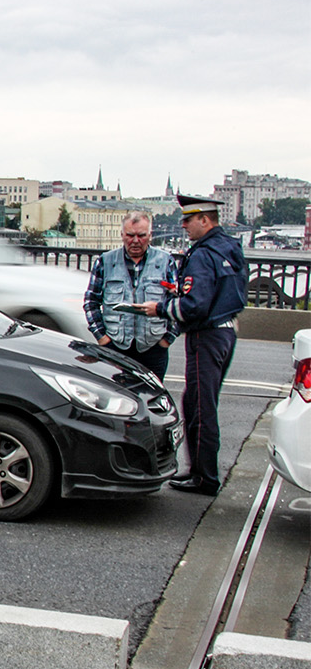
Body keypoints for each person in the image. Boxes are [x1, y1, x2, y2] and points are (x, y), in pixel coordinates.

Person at [132, 194, 248, 495]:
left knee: (199, 407)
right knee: (204, 403)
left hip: (206, 336)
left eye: (188, 220)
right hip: (226, 333)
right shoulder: (229, 247)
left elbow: (194, 306)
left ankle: (204, 476)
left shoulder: (202, 254)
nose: (183, 225)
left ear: (205, 220)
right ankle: (201, 472)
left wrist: (161, 308)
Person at [82, 211, 178, 380]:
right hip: (115, 346)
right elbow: (91, 301)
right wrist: (102, 338)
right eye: (130, 235)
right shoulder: (105, 261)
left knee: (152, 400)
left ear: (150, 235)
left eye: (141, 235)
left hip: (153, 347)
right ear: (122, 235)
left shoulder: (165, 261)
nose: (135, 241)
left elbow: (178, 303)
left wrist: (167, 339)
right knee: (116, 398)